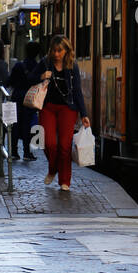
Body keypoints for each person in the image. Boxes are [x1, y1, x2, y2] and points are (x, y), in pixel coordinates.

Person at [37, 35, 89, 191]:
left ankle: (65, 181)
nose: (56, 54)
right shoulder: (45, 62)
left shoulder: (72, 66)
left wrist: (84, 114)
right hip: (48, 107)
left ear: (66, 51)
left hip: (68, 108)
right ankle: (53, 169)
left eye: (59, 51)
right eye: (54, 51)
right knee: (49, 143)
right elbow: (29, 78)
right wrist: (41, 76)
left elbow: (77, 91)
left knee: (65, 146)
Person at [8, 41, 41, 161]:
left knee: (15, 125)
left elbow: (10, 81)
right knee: (28, 126)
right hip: (30, 99)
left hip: (17, 98)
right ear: (37, 53)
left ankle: (14, 151)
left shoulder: (18, 65)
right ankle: (27, 152)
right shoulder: (38, 67)